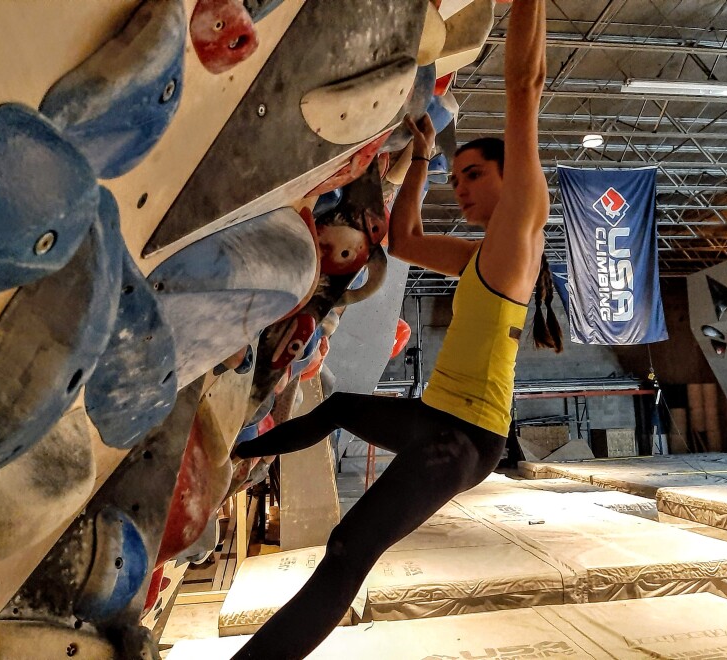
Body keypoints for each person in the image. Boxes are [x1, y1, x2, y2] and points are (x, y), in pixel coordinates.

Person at [232, 2, 554, 657]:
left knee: (348, 549)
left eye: (473, 175)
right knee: (343, 408)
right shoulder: (477, 258)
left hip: (464, 440)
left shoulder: (520, 231)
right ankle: (237, 460)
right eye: (459, 178)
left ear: (511, 179)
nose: (462, 189)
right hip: (440, 418)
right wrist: (425, 159)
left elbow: (526, 86)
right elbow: (404, 241)